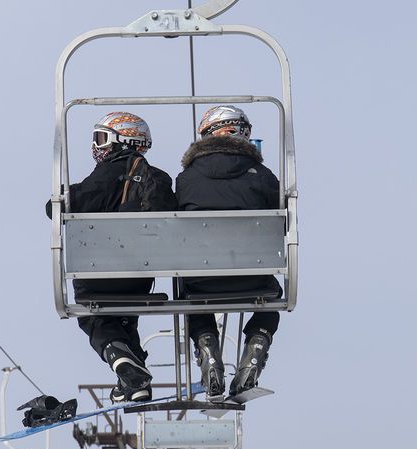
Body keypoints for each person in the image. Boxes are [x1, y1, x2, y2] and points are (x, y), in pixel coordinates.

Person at [59, 112, 177, 402]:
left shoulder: (108, 173)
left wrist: (58, 198)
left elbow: (67, 204)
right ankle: (133, 381)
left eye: (101, 139)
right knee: (124, 319)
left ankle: (123, 364)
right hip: (140, 278)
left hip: (99, 276)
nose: (96, 147)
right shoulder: (159, 179)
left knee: (95, 318)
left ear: (123, 140)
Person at [176, 105, 281, 401]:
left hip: (202, 278)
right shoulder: (263, 176)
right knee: (271, 301)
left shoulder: (186, 179)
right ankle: (256, 346)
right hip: (253, 277)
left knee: (193, 301)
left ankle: (208, 348)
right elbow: (282, 219)